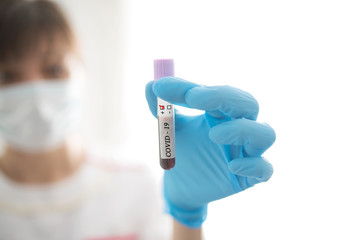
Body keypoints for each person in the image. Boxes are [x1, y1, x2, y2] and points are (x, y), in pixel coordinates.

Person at [0, 0, 276, 239]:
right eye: (8, 76)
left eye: (54, 69)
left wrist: (186, 215)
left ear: (82, 71)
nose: (35, 92)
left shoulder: (133, 186)